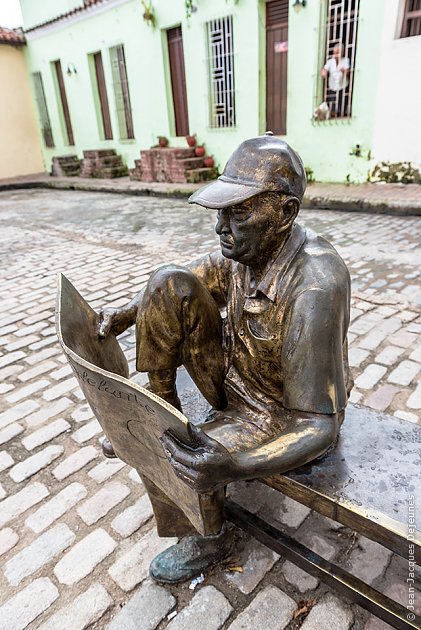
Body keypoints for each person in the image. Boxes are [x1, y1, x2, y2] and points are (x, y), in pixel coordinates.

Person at [98, 132, 352, 583]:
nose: (221, 227)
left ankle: (209, 534)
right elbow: (182, 283)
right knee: (165, 282)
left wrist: (234, 466)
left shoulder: (316, 285)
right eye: (221, 212)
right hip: (236, 381)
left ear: (284, 214)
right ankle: (161, 405)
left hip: (279, 412)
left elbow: (318, 424)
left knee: (187, 450)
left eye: (239, 212)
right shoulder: (245, 250)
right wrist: (125, 315)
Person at [321, 43, 350, 117]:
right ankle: (333, 114)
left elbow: (347, 72)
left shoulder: (345, 60)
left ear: (342, 52)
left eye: (338, 52)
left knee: (342, 104)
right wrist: (324, 72)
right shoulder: (330, 61)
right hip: (332, 86)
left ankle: (341, 115)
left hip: (342, 86)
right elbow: (325, 69)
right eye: (335, 53)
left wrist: (343, 70)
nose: (336, 54)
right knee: (332, 104)